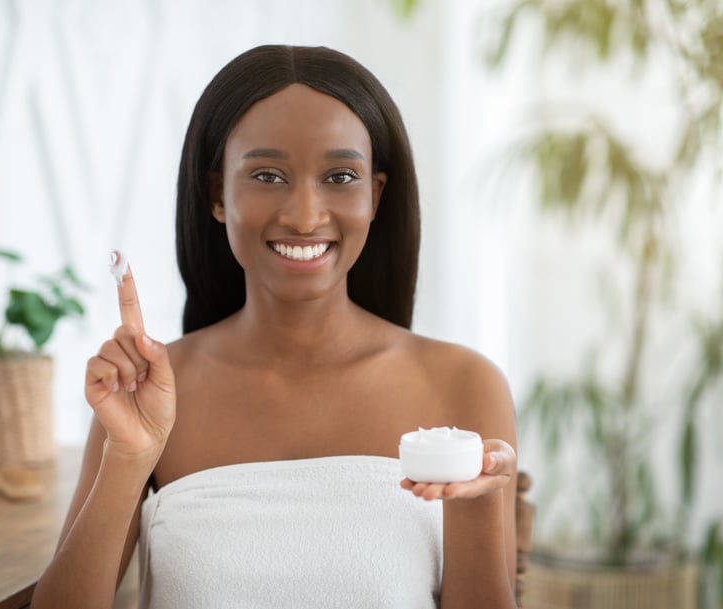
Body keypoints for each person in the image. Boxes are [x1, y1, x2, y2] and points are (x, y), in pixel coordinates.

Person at [32, 44, 518, 609]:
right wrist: (130, 456)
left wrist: (478, 502)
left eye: (340, 176)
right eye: (267, 174)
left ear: (375, 195)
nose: (305, 215)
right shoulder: (150, 391)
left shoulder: (464, 384)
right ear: (217, 194)